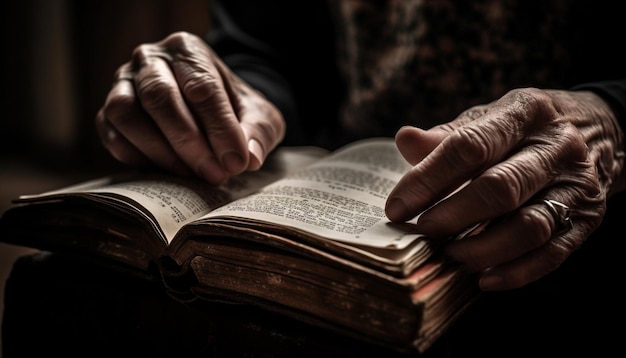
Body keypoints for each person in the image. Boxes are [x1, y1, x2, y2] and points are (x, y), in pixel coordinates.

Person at [6, 0, 622, 356]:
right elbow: (268, 47)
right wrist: (231, 97)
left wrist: (611, 118)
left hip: (573, 215)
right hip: (328, 169)